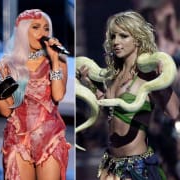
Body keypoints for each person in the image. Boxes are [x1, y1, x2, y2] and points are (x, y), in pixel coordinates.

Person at [77, 11, 180, 179]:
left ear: (138, 39)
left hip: (137, 167)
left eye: (123, 36)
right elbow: (110, 112)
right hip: (110, 164)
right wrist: (91, 84)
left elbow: (174, 112)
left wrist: (162, 82)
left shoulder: (147, 75)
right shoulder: (112, 75)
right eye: (113, 36)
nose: (116, 42)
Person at [0, 9, 71, 180]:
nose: (43, 33)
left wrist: (54, 61)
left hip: (50, 137)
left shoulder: (58, 62)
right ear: (23, 31)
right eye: (36, 27)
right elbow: (6, 111)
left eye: (46, 29)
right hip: (17, 138)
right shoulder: (7, 65)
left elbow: (58, 95)